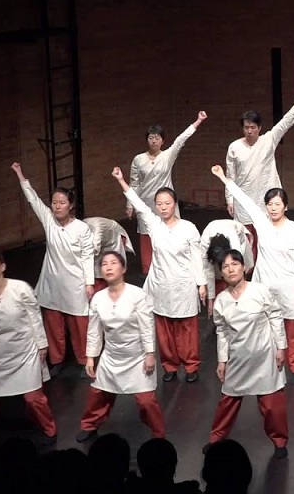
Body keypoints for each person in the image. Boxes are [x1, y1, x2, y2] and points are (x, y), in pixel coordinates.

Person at [212, 165, 294, 383]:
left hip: (288, 285)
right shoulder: (261, 222)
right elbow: (244, 199)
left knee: (292, 327)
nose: (273, 208)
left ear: (285, 206)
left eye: (277, 204)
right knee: (263, 325)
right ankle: (269, 362)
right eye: (270, 204)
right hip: (263, 285)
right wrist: (223, 178)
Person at [114, 167, 203, 383]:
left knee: (186, 328)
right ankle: (169, 365)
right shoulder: (154, 224)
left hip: (183, 283)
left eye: (167, 203)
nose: (163, 207)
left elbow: (197, 258)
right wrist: (122, 181)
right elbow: (138, 203)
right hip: (160, 283)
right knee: (163, 328)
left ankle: (191, 366)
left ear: (175, 204)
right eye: (159, 204)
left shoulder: (188, 228)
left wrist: (202, 283)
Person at [10, 162, 95, 377]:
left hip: (74, 283)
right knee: (53, 324)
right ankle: (57, 359)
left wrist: (89, 283)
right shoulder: (49, 221)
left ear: (71, 205)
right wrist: (20, 174)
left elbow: (87, 256)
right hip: (51, 282)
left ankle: (85, 360)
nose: (57, 206)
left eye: (62, 202)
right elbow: (33, 199)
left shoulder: (82, 228)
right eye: (54, 202)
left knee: (79, 324)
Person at [0, 250, 57, 444]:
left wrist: (41, 344)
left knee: (33, 398)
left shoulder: (20, 288)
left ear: (2, 266)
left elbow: (35, 317)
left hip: (26, 351)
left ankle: (48, 429)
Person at [206, 250, 289, 459]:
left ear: (244, 267)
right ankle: (216, 440)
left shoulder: (259, 291)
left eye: (234, 264)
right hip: (238, 357)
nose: (230, 269)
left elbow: (276, 317)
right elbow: (222, 332)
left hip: (264, 355)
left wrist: (281, 347)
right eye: (225, 267)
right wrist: (222, 360)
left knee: (272, 406)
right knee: (227, 403)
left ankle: (279, 441)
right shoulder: (221, 301)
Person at [77, 252, 165, 442]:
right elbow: (94, 330)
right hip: (111, 355)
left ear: (123, 268)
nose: (108, 267)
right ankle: (89, 425)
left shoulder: (137, 295)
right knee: (98, 394)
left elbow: (147, 326)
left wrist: (150, 354)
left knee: (146, 401)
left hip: (137, 356)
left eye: (113, 263)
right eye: (104, 264)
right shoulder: (98, 298)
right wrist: (91, 357)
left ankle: (158, 434)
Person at [225, 90, 294, 263]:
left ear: (259, 128)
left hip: (266, 197)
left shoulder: (268, 140)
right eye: (246, 127)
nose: (250, 131)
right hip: (244, 199)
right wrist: (229, 199)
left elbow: (285, 123)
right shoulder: (234, 147)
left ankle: (269, 267)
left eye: (253, 127)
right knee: (246, 240)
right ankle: (248, 270)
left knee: (268, 237)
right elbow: (230, 176)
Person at [128, 111, 207, 275]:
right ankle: (148, 270)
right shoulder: (138, 159)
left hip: (167, 202)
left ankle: (173, 265)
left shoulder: (167, 156)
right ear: (147, 140)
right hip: (146, 203)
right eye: (151, 137)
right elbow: (134, 183)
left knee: (171, 232)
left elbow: (181, 139)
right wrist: (130, 204)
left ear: (162, 140)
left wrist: (198, 121)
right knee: (147, 234)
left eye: (157, 138)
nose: (154, 140)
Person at [197, 219, 254, 315]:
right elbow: (208, 271)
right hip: (214, 231)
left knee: (238, 271)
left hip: (238, 235)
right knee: (221, 276)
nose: (229, 268)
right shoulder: (205, 243)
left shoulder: (233, 240)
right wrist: (210, 300)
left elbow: (239, 264)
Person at [84, 217, 135, 291]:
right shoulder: (81, 226)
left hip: (114, 238)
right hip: (100, 243)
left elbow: (94, 250)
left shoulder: (97, 227)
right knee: (98, 266)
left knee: (113, 263)